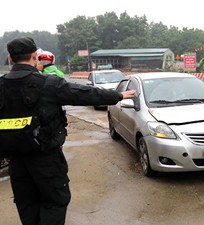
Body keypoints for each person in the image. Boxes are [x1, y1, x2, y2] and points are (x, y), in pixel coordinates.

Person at [0, 37, 135, 225]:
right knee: (54, 202)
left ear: (10, 58)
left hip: (15, 162)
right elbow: (83, 94)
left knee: (27, 204)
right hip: (46, 160)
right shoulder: (48, 84)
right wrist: (118, 95)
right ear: (34, 56)